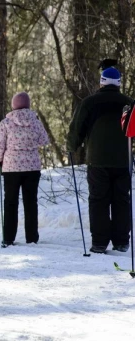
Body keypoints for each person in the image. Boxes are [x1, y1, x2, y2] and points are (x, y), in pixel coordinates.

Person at [67, 67, 133, 254]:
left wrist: (72, 147)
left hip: (97, 160)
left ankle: (99, 242)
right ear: (119, 83)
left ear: (102, 81)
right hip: (123, 160)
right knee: (121, 200)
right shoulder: (129, 103)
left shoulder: (89, 103)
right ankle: (121, 242)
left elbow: (76, 129)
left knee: (98, 200)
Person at [0, 92, 49, 246]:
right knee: (31, 202)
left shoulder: (6, 123)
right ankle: (31, 237)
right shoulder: (35, 122)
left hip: (11, 168)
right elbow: (44, 140)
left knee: (10, 202)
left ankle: (9, 237)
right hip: (32, 168)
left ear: (13, 105)